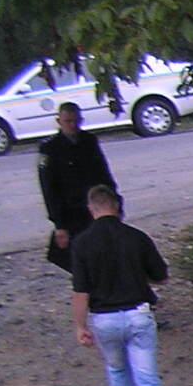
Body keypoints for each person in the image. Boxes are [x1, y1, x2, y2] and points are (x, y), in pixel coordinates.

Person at [69, 185, 172, 386]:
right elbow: (161, 277)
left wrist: (80, 326)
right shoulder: (136, 237)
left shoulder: (82, 243)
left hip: (105, 319)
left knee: (117, 370)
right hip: (138, 315)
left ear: (92, 209)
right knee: (148, 380)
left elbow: (80, 292)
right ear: (117, 206)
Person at [38, 101, 117, 273]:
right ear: (59, 121)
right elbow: (49, 190)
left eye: (76, 121)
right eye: (68, 121)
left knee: (104, 254)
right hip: (71, 212)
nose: (73, 125)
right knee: (77, 259)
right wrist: (59, 224)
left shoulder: (88, 141)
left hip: (96, 207)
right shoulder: (50, 148)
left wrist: (115, 200)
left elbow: (103, 173)